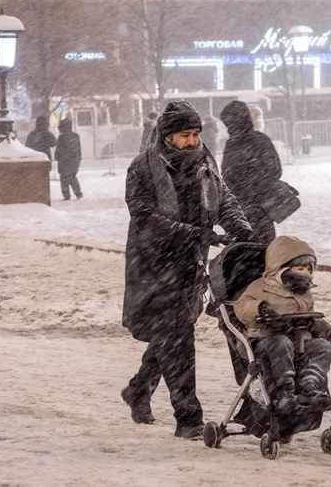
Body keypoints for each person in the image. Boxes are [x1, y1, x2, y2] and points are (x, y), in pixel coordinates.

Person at [121, 100, 258, 439]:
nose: (192, 141)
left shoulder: (205, 162)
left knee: (174, 333)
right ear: (167, 136)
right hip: (155, 264)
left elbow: (223, 199)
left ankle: (139, 388)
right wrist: (197, 234)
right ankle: (188, 417)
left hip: (191, 263)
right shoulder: (143, 168)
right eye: (185, 135)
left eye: (196, 134)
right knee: (178, 338)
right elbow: (145, 218)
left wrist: (242, 229)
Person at [235, 236, 331, 412]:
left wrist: (326, 329)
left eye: (309, 269)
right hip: (265, 342)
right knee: (281, 342)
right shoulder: (260, 288)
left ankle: (310, 385)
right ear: (282, 268)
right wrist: (260, 308)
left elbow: (310, 318)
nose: (306, 273)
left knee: (323, 347)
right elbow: (241, 308)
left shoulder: (304, 293)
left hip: (299, 342)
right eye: (300, 268)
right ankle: (286, 390)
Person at [220, 101, 283, 245]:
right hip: (259, 207)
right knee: (263, 252)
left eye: (229, 123)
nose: (228, 128)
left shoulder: (233, 144)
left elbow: (227, 176)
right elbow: (275, 170)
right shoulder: (260, 140)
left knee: (242, 254)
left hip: (242, 209)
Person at [55, 118, 83, 200]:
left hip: (64, 161)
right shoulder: (75, 136)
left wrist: (57, 157)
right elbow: (78, 149)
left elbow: (59, 150)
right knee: (72, 177)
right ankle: (78, 192)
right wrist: (78, 159)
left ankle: (66, 195)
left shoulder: (61, 137)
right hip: (74, 161)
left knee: (64, 179)